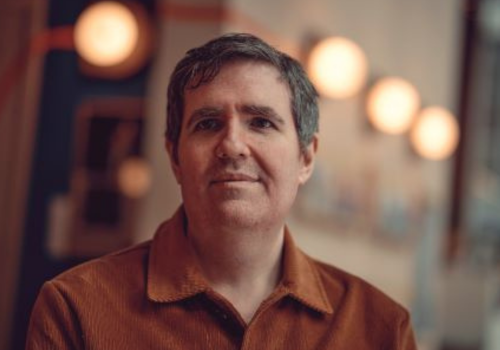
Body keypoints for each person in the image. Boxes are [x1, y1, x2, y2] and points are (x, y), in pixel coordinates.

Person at [26, 33, 418, 349]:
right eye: (208, 123)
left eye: (261, 122)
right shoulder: (76, 308)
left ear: (306, 158)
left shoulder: (381, 329)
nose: (232, 145)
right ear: (175, 157)